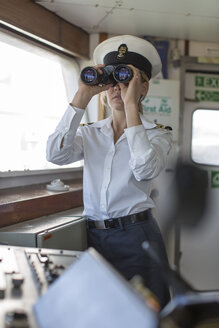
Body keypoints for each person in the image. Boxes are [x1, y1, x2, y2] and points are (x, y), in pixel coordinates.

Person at [46, 35, 172, 309]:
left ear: (143, 88)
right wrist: (82, 95)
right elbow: (55, 154)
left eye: (126, 81)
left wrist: (130, 106)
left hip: (137, 237)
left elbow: (145, 169)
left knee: (147, 315)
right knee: (101, 313)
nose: (117, 89)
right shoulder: (90, 134)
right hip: (94, 238)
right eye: (112, 83)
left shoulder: (158, 136)